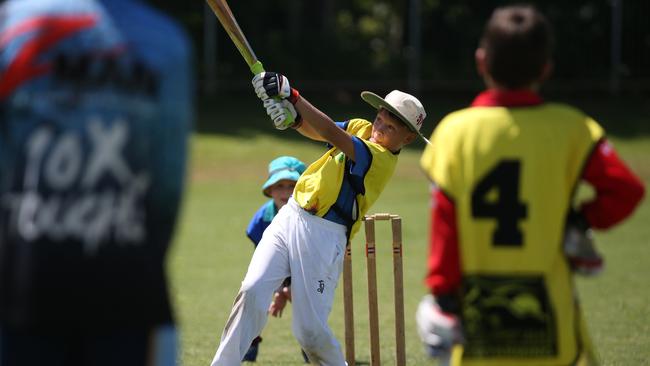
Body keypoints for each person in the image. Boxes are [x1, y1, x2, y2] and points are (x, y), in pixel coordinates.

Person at [417, 4, 645, 366]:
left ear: (481, 62)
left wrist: (443, 298)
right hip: (555, 333)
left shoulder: (454, 133)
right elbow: (626, 190)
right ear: (545, 69)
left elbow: (445, 228)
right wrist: (579, 221)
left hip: (479, 334)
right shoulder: (573, 128)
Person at [0, 0, 193, 365]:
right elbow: (167, 186)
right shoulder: (166, 41)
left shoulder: (13, 25)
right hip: (130, 290)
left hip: (22, 284)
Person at [209, 72, 427, 365]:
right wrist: (295, 121)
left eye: (390, 127)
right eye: (380, 120)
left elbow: (332, 134)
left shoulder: (380, 159)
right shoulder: (362, 128)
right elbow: (318, 131)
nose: (379, 129)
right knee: (252, 290)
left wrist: (293, 97)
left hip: (324, 236)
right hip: (291, 215)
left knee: (309, 332)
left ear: (408, 137)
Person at [243, 156, 309, 363]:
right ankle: (249, 345)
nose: (286, 192)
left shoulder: (311, 217)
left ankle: (312, 348)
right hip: (273, 267)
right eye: (279, 185)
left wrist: (291, 289)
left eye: (292, 185)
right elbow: (264, 261)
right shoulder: (262, 219)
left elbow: (308, 260)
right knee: (252, 297)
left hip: (306, 269)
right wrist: (279, 289)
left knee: (309, 309)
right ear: (270, 190)